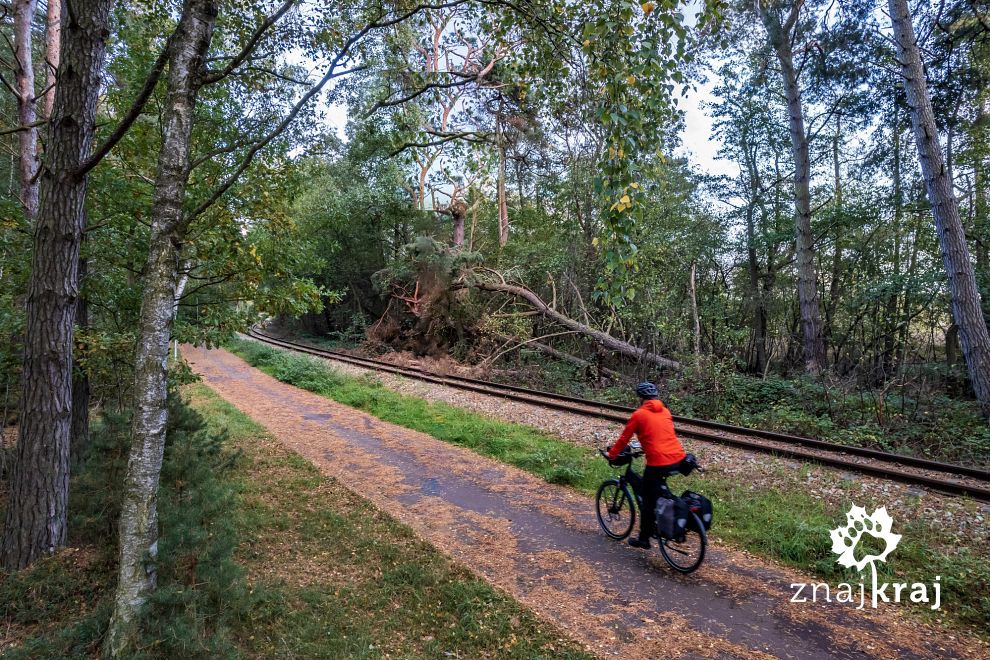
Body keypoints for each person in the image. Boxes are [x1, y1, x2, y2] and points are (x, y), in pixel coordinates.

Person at [605, 382, 687, 549]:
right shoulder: (665, 411)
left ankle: (644, 539)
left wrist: (612, 454)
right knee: (658, 491)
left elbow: (624, 439)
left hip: (659, 462)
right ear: (655, 397)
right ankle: (668, 517)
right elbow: (661, 435)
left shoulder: (639, 414)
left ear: (641, 398)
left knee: (648, 501)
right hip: (679, 459)